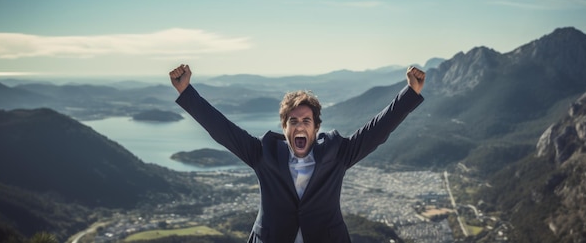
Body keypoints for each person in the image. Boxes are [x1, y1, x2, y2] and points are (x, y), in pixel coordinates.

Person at [169, 64, 425, 243]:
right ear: (284, 128)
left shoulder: (337, 153)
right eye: (293, 121)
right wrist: (186, 93)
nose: (299, 126)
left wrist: (410, 93)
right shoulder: (263, 153)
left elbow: (376, 130)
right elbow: (222, 129)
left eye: (306, 121)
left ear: (316, 127)